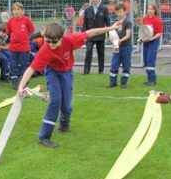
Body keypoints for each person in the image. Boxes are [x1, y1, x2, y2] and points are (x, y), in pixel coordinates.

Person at [16, 20, 121, 148]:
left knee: (66, 105)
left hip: (66, 72)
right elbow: (31, 69)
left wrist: (111, 28)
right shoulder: (45, 50)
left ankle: (64, 124)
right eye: (47, 41)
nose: (51, 44)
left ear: (61, 38)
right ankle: (44, 136)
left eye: (54, 42)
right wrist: (21, 86)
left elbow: (90, 33)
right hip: (52, 73)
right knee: (55, 101)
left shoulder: (70, 40)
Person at [6, 2, 35, 89]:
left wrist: (24, 37)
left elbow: (31, 30)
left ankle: (23, 81)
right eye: (14, 9)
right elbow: (9, 32)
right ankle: (15, 81)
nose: (16, 11)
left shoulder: (26, 20)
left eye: (18, 9)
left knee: (23, 64)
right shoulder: (10, 21)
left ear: (22, 11)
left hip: (24, 48)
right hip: (13, 48)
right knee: (13, 65)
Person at [83, 0, 110, 75]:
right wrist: (83, 35)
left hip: (100, 35)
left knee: (101, 53)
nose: (93, 0)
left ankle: (101, 71)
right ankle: (86, 71)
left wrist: (109, 34)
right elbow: (85, 24)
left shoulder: (104, 9)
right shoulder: (87, 10)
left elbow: (107, 22)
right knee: (88, 52)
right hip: (90, 35)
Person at [137, 4, 163, 86]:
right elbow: (143, 30)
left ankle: (152, 80)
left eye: (151, 9)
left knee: (150, 60)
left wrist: (152, 38)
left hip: (153, 42)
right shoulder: (145, 19)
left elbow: (159, 33)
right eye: (148, 9)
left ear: (155, 11)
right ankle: (149, 79)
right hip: (146, 42)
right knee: (146, 60)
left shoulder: (157, 20)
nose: (150, 10)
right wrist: (141, 38)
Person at [108, 4, 133, 89]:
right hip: (117, 47)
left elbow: (128, 35)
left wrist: (120, 41)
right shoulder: (115, 22)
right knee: (114, 64)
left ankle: (124, 83)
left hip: (126, 47)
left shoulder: (127, 22)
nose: (119, 14)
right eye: (117, 12)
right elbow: (111, 33)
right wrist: (113, 41)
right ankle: (112, 82)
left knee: (126, 65)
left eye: (121, 11)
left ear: (125, 11)